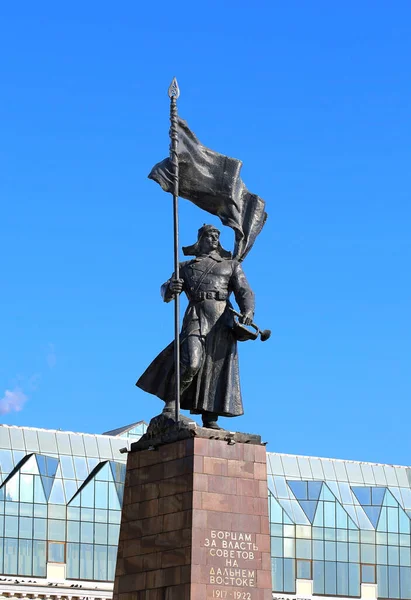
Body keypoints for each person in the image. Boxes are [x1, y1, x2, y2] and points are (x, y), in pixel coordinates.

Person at [136, 224, 255, 429]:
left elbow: (245, 291)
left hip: (222, 320)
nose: (214, 239)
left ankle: (210, 417)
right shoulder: (185, 266)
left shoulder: (231, 265)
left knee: (216, 368)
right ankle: (172, 403)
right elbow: (165, 291)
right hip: (196, 316)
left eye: (217, 236)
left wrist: (248, 311)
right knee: (192, 362)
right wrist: (171, 288)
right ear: (200, 240)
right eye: (210, 235)